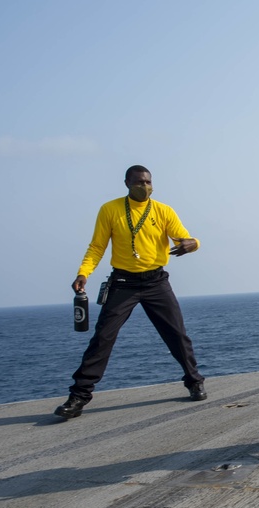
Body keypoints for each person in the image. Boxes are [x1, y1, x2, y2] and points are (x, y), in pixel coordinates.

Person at [54, 165, 206, 419]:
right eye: (139, 182)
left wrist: (193, 244)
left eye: (148, 182)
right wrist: (83, 273)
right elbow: (97, 247)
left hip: (156, 282)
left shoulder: (163, 211)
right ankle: (78, 397)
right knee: (103, 338)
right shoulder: (110, 210)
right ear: (127, 183)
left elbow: (185, 238)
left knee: (177, 334)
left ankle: (194, 381)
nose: (144, 187)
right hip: (123, 283)